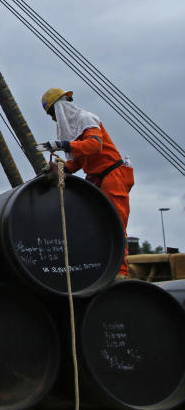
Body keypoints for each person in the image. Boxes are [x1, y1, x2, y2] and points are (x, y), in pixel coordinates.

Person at [38, 87, 134, 277]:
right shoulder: (75, 130)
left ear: (60, 108)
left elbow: (94, 146)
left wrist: (63, 145)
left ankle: (121, 274)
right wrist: (58, 170)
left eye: (52, 114)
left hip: (112, 177)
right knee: (99, 226)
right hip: (97, 180)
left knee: (115, 224)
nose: (53, 119)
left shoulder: (86, 118)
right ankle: (104, 269)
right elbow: (79, 162)